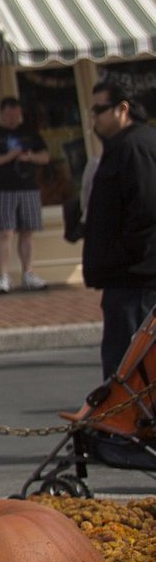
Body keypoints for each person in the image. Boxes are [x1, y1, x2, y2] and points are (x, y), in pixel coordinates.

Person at [81, 77, 156, 380]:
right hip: (124, 281)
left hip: (137, 283)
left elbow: (147, 211)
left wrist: (121, 256)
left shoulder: (136, 147)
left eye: (100, 109)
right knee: (124, 371)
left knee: (129, 374)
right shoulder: (121, 147)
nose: (94, 117)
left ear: (122, 109)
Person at [0, 96, 50, 293]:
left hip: (29, 188)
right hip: (4, 190)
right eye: (10, 116)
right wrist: (7, 157)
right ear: (2, 113)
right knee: (5, 232)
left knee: (27, 231)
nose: (14, 120)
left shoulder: (29, 132)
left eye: (17, 116)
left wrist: (30, 157)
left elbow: (45, 157)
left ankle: (28, 273)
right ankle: (3, 276)